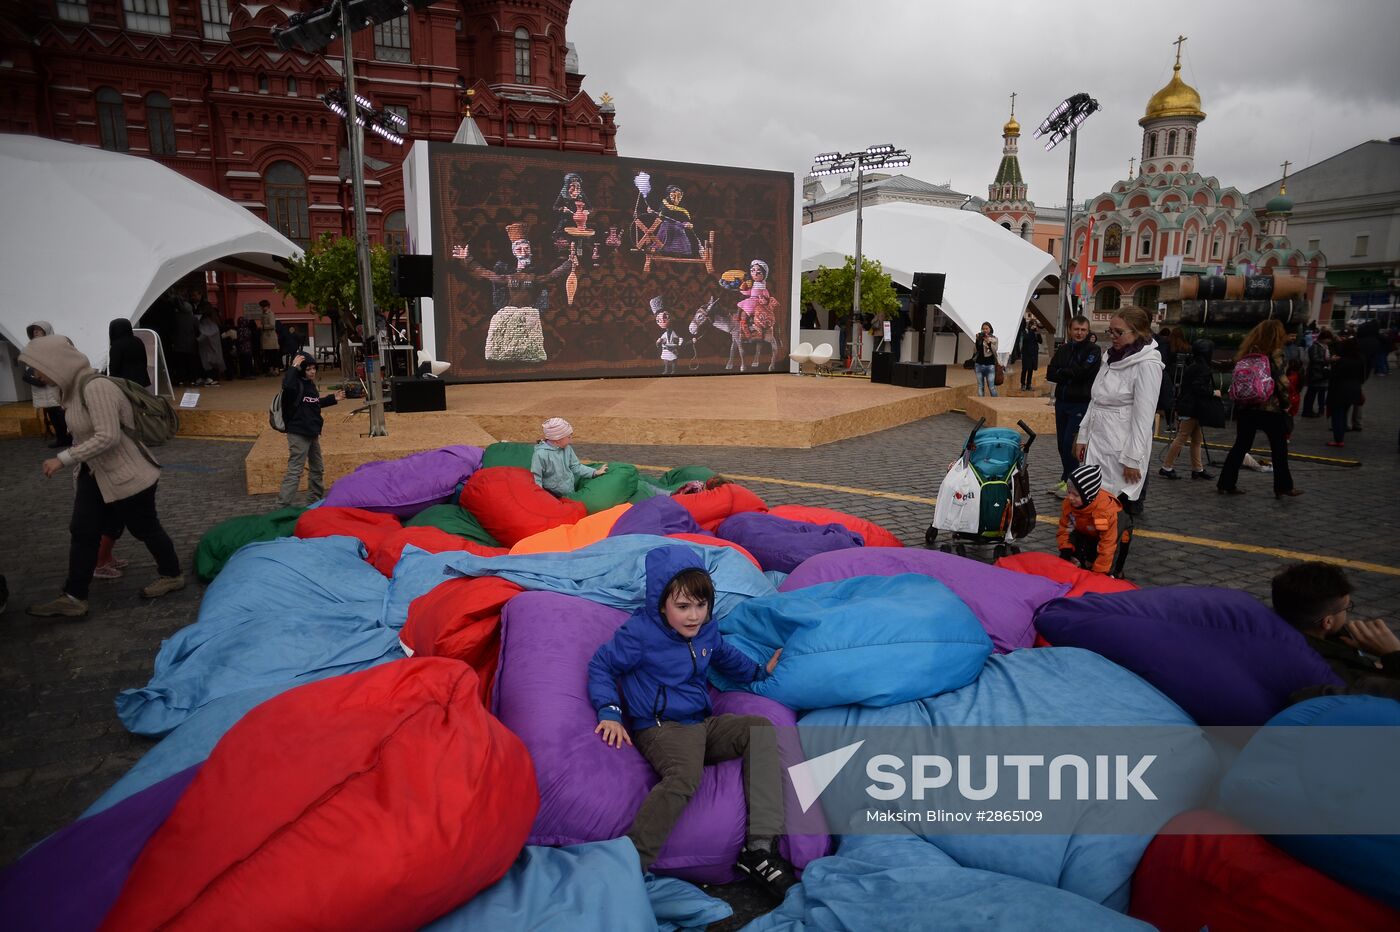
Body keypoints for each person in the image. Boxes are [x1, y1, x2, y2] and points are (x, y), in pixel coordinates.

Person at [587, 546, 793, 897]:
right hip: (660, 727)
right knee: (684, 776)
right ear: (661, 604)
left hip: (700, 723)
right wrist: (609, 711)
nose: (694, 616)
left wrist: (759, 671)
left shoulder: (706, 630)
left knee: (759, 729)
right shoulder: (639, 635)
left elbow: (725, 656)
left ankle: (759, 848)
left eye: (701, 605)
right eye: (683, 607)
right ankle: (630, 862)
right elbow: (602, 666)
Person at [20, 335, 184, 618]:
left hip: (128, 475)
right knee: (82, 531)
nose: (35, 375)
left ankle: (172, 575)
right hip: (95, 474)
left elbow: (108, 436)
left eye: (38, 367)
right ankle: (74, 596)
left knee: (145, 528)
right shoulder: (70, 390)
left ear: (56, 363)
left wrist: (62, 459)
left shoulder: (96, 387)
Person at [1073, 308, 1164, 513]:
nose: (1112, 336)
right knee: (1093, 500)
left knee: (1115, 506)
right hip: (1098, 440)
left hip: (1121, 446)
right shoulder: (1111, 357)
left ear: (1137, 332)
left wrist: (1133, 460)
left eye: (1118, 332)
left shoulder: (1147, 365)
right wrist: (1083, 436)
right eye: (1110, 331)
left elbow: (1144, 418)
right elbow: (1095, 400)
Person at [1271, 561, 1400, 701]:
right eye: (1346, 607)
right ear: (1328, 622)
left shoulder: (1277, 634)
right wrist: (1393, 654)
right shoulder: (1334, 673)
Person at [1216, 320, 1300, 498]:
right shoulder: (1276, 354)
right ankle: (1283, 486)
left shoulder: (1248, 352)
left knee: (1241, 445)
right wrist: (1286, 403)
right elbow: (1282, 382)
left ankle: (1226, 483)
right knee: (1279, 448)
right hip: (1270, 407)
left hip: (1246, 406)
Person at [274, 354, 344, 508]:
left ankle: (314, 501)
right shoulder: (294, 385)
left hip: (312, 432)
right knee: (295, 471)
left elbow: (313, 403)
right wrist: (293, 367)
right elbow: (287, 385)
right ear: (301, 370)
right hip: (298, 433)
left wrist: (333, 399)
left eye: (314, 368)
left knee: (317, 468)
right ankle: (282, 506)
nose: (312, 372)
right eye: (308, 369)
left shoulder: (309, 385)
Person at [1045, 315, 1101, 497]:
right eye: (1076, 329)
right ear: (1070, 329)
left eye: (1083, 330)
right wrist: (1068, 373)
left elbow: (1082, 373)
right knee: (1062, 444)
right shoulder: (1063, 349)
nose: (1079, 333)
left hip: (1080, 404)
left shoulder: (1094, 350)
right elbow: (1050, 373)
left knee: (1070, 443)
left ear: (1088, 330)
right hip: (1062, 402)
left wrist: (1064, 372)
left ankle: (1072, 482)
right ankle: (1065, 478)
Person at [1056, 463, 1132, 578]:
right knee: (1080, 558)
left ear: (1088, 496)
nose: (1070, 497)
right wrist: (1065, 548)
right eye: (1069, 492)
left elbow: (1107, 545)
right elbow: (1065, 528)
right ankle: (1083, 561)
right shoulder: (1069, 504)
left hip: (1117, 532)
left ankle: (1117, 573)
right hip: (1089, 529)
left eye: (1075, 495)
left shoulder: (1103, 513)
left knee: (1114, 554)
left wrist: (1099, 574)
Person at [1159, 338, 1217, 481]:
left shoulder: (1193, 365)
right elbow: (1198, 388)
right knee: (1182, 437)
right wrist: (1213, 393)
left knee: (1197, 439)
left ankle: (1197, 469)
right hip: (1191, 408)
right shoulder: (1201, 368)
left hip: (1192, 407)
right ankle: (1166, 467)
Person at [23, 321, 72, 448]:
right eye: (34, 330)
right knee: (51, 412)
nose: (35, 332)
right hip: (40, 383)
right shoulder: (31, 346)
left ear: (46, 330)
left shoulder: (54, 344)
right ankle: (61, 438)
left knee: (60, 411)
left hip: (52, 382)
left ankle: (69, 437)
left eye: (39, 329)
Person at [531, 417, 607, 496]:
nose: (571, 440)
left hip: (569, 491)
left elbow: (575, 466)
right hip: (552, 495)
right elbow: (537, 477)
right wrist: (540, 496)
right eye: (568, 437)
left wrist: (594, 472)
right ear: (557, 440)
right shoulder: (541, 454)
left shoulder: (567, 449)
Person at [1325, 338, 1365, 449]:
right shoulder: (1360, 359)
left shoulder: (1342, 361)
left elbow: (1334, 376)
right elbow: (1362, 376)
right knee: (1344, 413)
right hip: (1354, 390)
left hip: (1339, 391)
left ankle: (1338, 439)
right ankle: (1340, 437)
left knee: (1338, 415)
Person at [107, 318, 150, 387]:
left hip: (125, 383)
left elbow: (114, 367)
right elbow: (144, 360)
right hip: (141, 381)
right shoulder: (138, 341)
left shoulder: (117, 345)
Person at [1302, 329, 1333, 418]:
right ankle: (1307, 410)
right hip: (1315, 373)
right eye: (1328, 339)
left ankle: (1313, 410)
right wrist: (1328, 360)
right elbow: (1315, 359)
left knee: (1317, 392)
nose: (1329, 341)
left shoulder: (1325, 346)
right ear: (1323, 338)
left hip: (1322, 373)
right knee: (1311, 393)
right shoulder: (1315, 346)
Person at [195, 302, 225, 386]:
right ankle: (214, 378)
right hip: (214, 344)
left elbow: (205, 333)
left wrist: (197, 339)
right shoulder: (214, 319)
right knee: (214, 361)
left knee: (208, 362)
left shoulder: (205, 320)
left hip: (207, 346)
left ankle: (212, 379)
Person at [973, 321, 999, 397]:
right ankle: (981, 404)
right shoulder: (980, 338)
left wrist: (989, 343)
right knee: (980, 386)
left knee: (991, 387)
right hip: (979, 365)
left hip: (990, 365)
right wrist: (977, 340)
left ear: (990, 329)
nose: (985, 330)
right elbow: (975, 351)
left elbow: (995, 350)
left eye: (986, 328)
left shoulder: (994, 339)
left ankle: (996, 403)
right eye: (983, 329)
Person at [259, 299, 281, 374]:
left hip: (270, 337)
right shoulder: (263, 314)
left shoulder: (270, 314)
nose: (261, 308)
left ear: (267, 306)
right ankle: (271, 370)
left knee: (273, 354)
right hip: (265, 337)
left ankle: (276, 369)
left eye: (263, 306)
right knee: (268, 355)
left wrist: (263, 326)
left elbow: (272, 325)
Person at [1018, 320, 1041, 391]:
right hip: (1026, 353)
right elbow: (1026, 338)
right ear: (1030, 325)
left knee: (1031, 370)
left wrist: (1037, 333)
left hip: (1033, 354)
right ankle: (1022, 384)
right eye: (1033, 324)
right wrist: (1031, 331)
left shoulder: (1036, 333)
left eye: (1035, 325)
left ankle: (1029, 385)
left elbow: (1040, 341)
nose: (1034, 326)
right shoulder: (1026, 331)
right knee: (1025, 369)